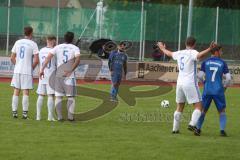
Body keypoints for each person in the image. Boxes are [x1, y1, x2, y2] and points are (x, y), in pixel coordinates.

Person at [157, 37, 216, 135]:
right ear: (194, 44)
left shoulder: (179, 53)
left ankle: (175, 129)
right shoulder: (192, 52)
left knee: (179, 106)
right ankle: (192, 124)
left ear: (185, 43)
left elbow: (169, 54)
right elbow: (199, 55)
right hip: (190, 83)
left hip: (179, 83)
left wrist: (162, 48)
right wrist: (209, 49)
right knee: (199, 106)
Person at [40, 32, 80, 121]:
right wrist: (70, 70)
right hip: (70, 76)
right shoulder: (75, 48)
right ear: (73, 39)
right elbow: (78, 60)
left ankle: (59, 117)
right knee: (71, 97)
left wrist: (42, 69)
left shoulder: (57, 47)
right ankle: (70, 118)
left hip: (59, 75)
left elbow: (48, 58)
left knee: (58, 97)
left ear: (64, 38)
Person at [196, 45, 231, 136]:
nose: (222, 53)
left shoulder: (205, 62)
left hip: (207, 90)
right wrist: (224, 87)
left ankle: (198, 129)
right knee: (222, 111)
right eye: (221, 51)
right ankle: (222, 131)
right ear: (216, 52)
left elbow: (199, 76)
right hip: (218, 90)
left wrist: (204, 82)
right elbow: (228, 78)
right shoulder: (222, 63)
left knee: (203, 110)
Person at [10, 26, 39, 119]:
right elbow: (36, 60)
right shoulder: (33, 44)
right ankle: (24, 114)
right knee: (25, 91)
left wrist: (17, 64)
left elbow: (12, 58)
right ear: (31, 33)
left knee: (16, 90)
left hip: (17, 70)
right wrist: (31, 68)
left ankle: (14, 112)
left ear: (24, 32)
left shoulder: (17, 42)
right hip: (26, 71)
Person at [36, 35, 57, 121]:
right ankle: (50, 117)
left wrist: (40, 70)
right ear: (53, 41)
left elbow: (39, 62)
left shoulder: (41, 50)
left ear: (47, 40)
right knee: (50, 96)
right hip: (51, 74)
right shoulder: (54, 51)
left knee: (41, 95)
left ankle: (38, 116)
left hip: (42, 74)